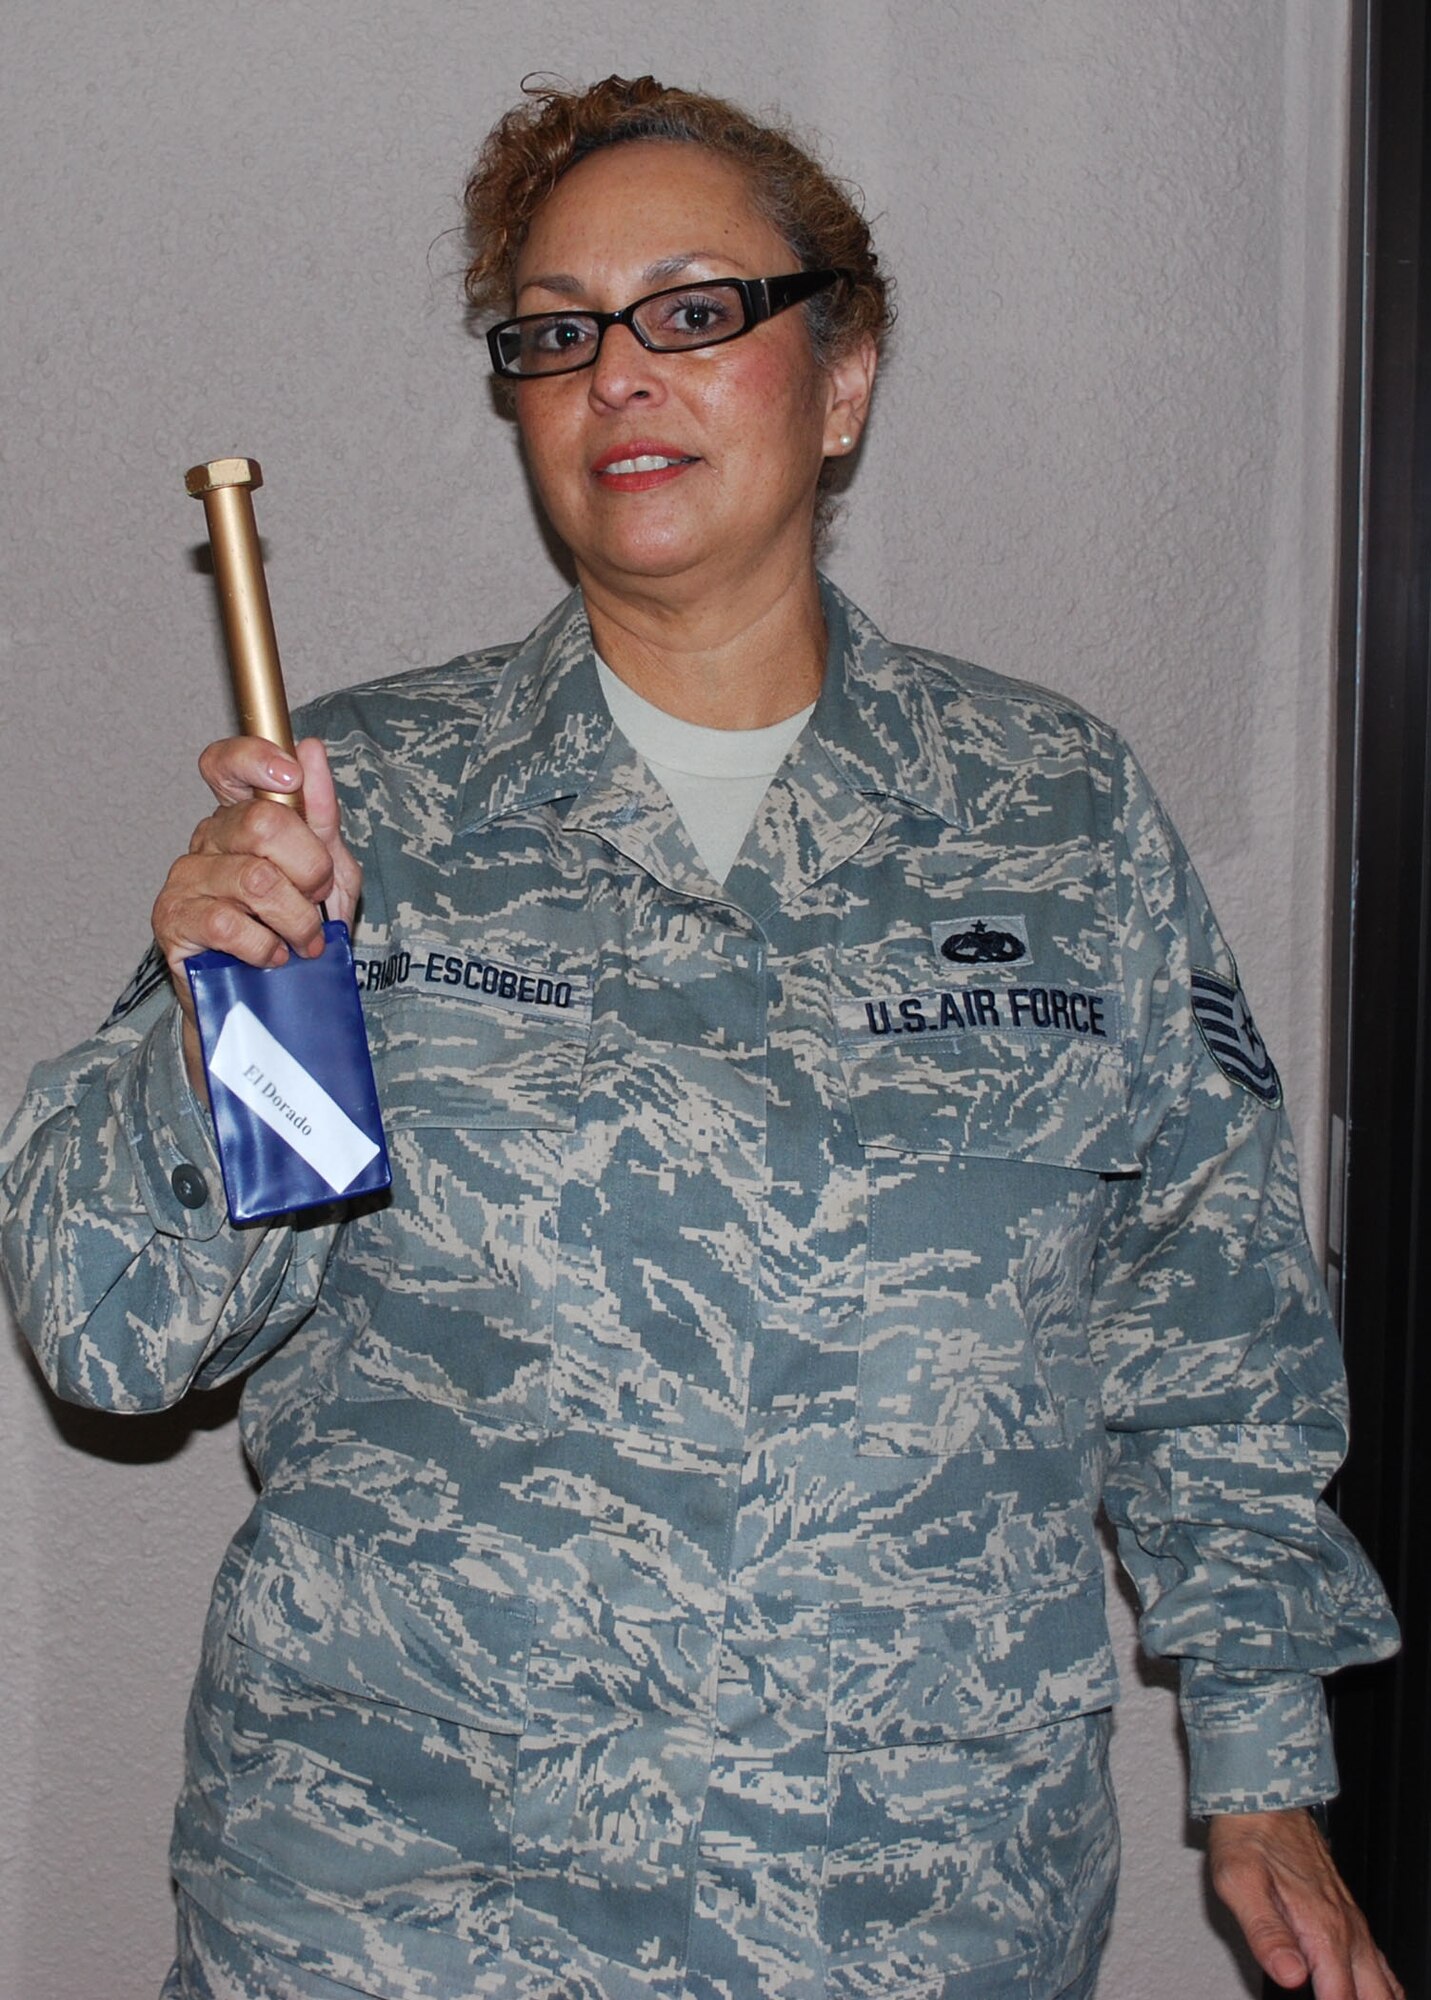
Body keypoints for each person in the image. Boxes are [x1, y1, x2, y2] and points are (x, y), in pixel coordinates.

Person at [0, 72, 1403, 2000]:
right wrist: (213, 1004)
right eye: (557, 333)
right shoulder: (356, 814)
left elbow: (1211, 1325)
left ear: (843, 381)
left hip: (911, 1918)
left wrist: (1263, 1766)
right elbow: (114, 1340)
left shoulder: (1057, 814)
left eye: (692, 310)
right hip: (400, 1918)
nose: (617, 377)